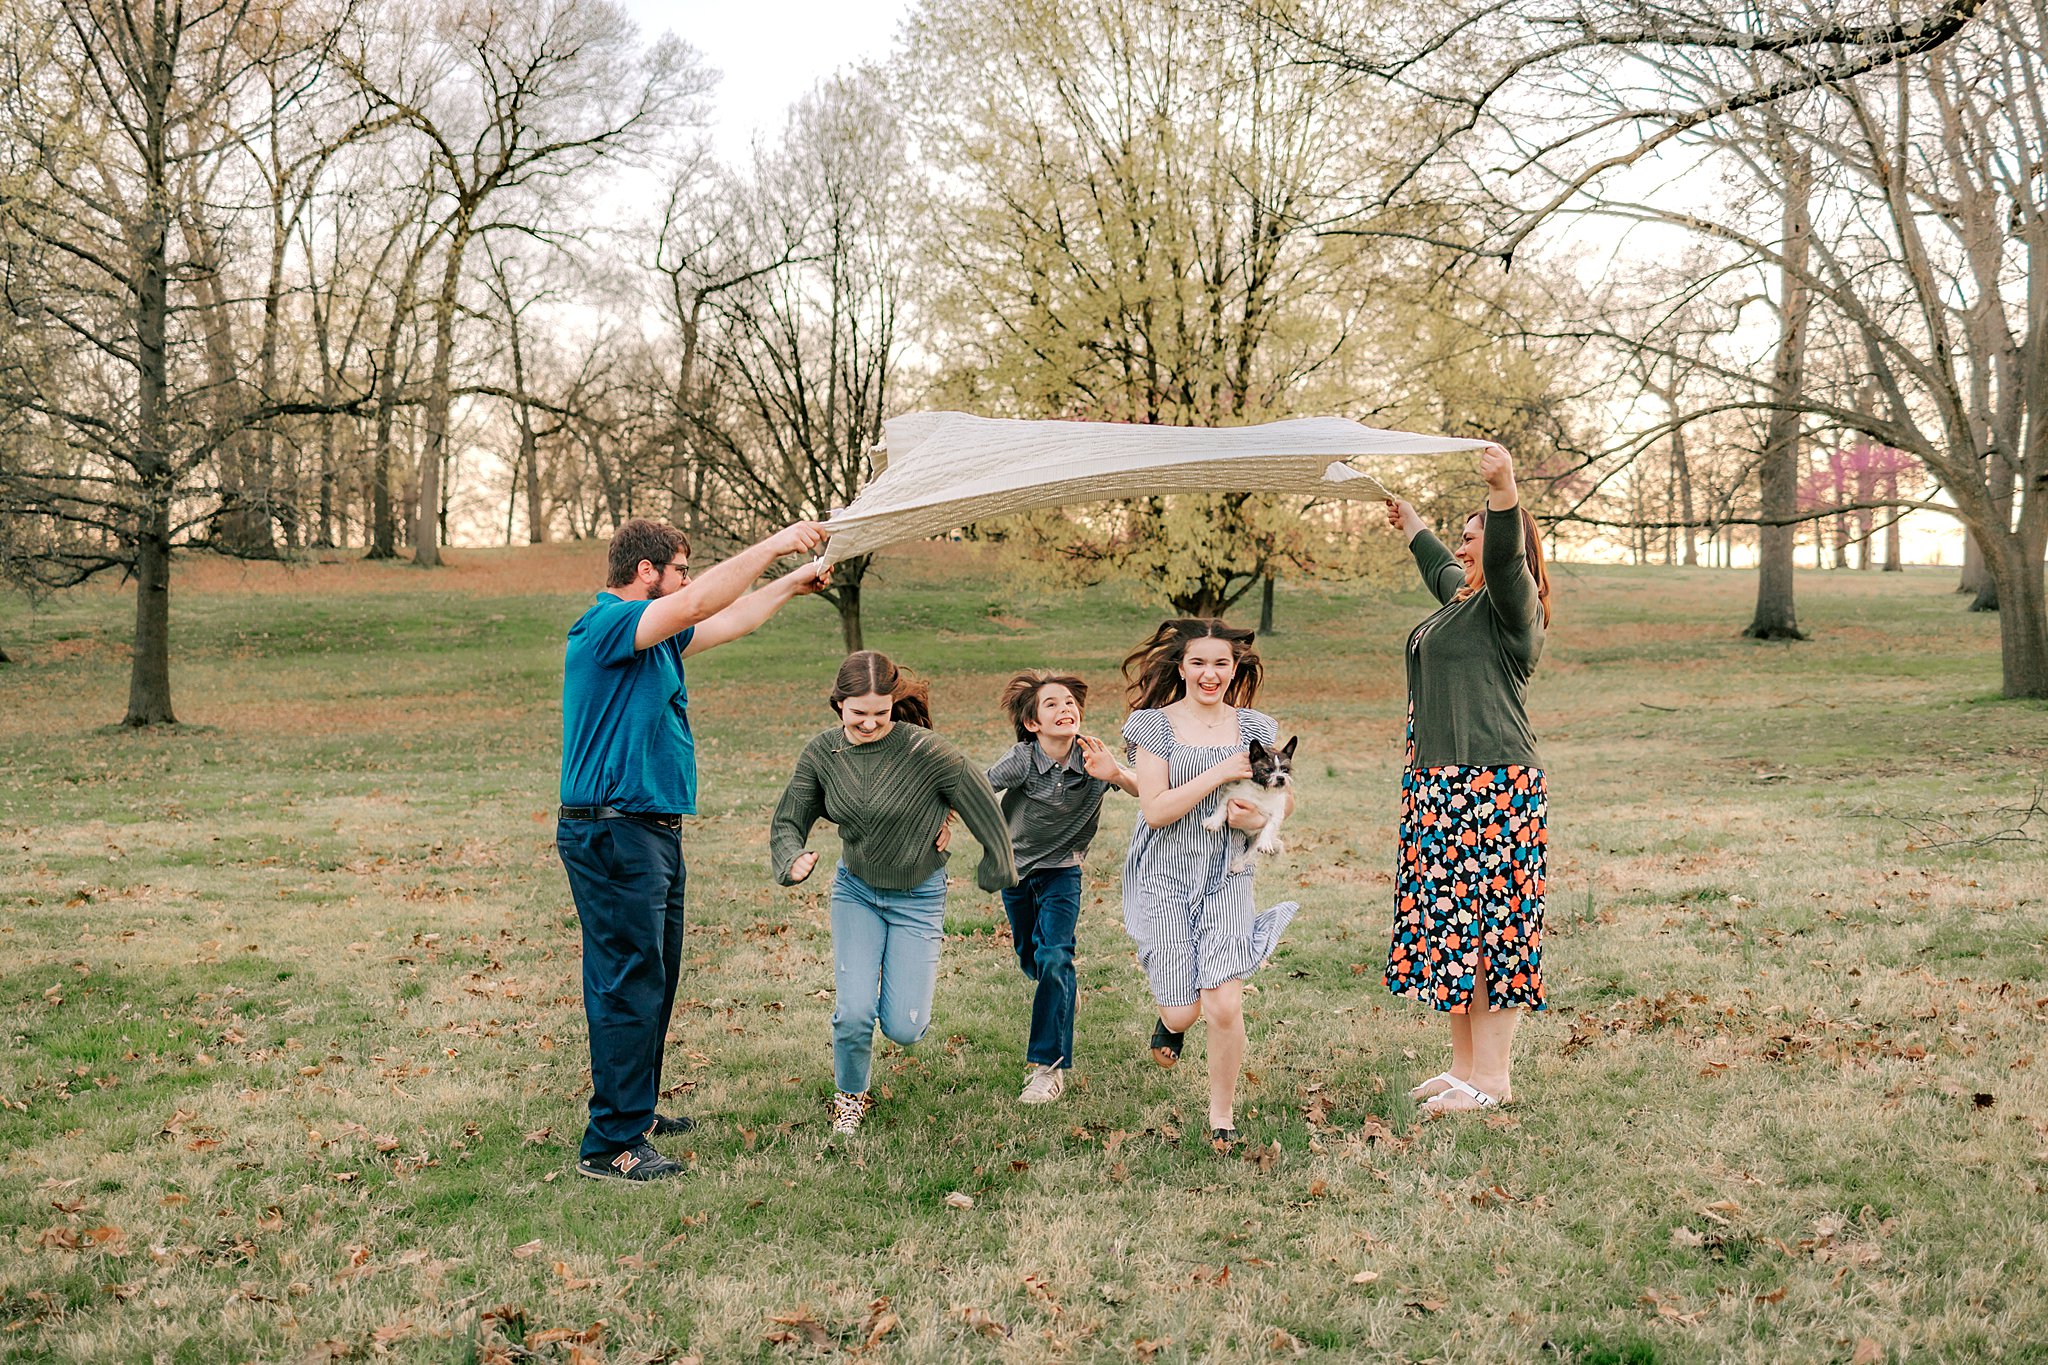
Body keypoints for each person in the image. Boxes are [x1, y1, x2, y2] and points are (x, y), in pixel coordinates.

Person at [557, 516, 828, 1183]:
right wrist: (776, 543)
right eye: (679, 566)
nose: (686, 577)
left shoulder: (654, 641)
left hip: (649, 828)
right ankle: (610, 1143)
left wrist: (792, 583)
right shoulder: (609, 625)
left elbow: (728, 619)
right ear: (646, 571)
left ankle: (634, 1112)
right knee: (629, 979)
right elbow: (703, 601)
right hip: (615, 827)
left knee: (656, 973)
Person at [770, 651, 1018, 1137]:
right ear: (838, 704)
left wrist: (997, 861)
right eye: (857, 712)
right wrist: (789, 857)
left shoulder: (926, 751)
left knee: (904, 1027)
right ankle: (849, 1095)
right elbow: (789, 818)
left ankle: (897, 999)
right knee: (854, 1011)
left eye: (879, 713)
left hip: (918, 896)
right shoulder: (822, 754)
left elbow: (979, 797)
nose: (868, 722)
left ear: (893, 704)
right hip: (856, 891)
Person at [1381, 443, 1553, 1115]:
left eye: (1474, 533)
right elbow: (1442, 567)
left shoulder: (1512, 605)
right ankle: (1464, 1069)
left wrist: (1504, 488)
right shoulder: (1462, 597)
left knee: (1496, 932)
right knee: (1453, 931)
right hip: (1438, 787)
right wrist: (1414, 526)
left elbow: (1505, 556)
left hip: (1496, 786)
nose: (1465, 544)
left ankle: (1494, 1078)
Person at [1119, 619, 1298, 1144]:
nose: (1210, 673)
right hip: (1165, 875)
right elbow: (1155, 810)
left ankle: (1222, 1118)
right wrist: (1219, 773)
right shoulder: (1152, 726)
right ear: (1181, 668)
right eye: (1198, 663)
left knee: (1224, 1004)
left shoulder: (1256, 727)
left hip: (1226, 873)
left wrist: (1258, 819)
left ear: (1234, 667)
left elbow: (1282, 796)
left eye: (1221, 663)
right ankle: (1171, 1024)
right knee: (1184, 1007)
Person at [985, 671, 1138, 1105]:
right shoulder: (1022, 758)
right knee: (1033, 962)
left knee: (1055, 958)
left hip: (1062, 872)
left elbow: (1148, 791)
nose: (1064, 708)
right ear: (1033, 722)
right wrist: (942, 820)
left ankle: (1046, 1069)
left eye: (1069, 702)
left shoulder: (1093, 756)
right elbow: (977, 790)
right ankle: (1062, 992)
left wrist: (1117, 774)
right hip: (1014, 871)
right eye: (1051, 704)